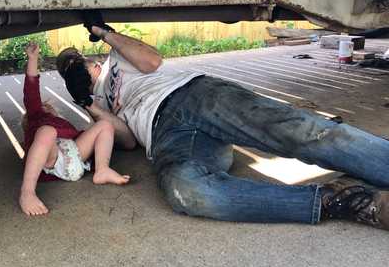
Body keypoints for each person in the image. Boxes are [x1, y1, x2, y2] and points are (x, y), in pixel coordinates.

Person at [56, 16, 389, 230]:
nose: (74, 64)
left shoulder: (117, 55)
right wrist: (90, 106)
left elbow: (152, 60)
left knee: (298, 130)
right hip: (167, 138)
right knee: (188, 192)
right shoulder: (97, 105)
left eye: (74, 58)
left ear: (89, 57)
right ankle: (338, 201)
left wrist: (104, 32)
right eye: (67, 67)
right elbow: (128, 141)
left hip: (194, 94)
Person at [19, 42, 130, 216]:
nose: (46, 107)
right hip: (53, 161)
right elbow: (31, 92)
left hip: (76, 156)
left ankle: (102, 169)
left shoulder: (64, 129)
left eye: (48, 107)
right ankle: (27, 192)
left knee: (104, 125)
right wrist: (33, 59)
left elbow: (93, 131)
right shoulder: (38, 120)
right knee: (46, 131)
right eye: (42, 106)